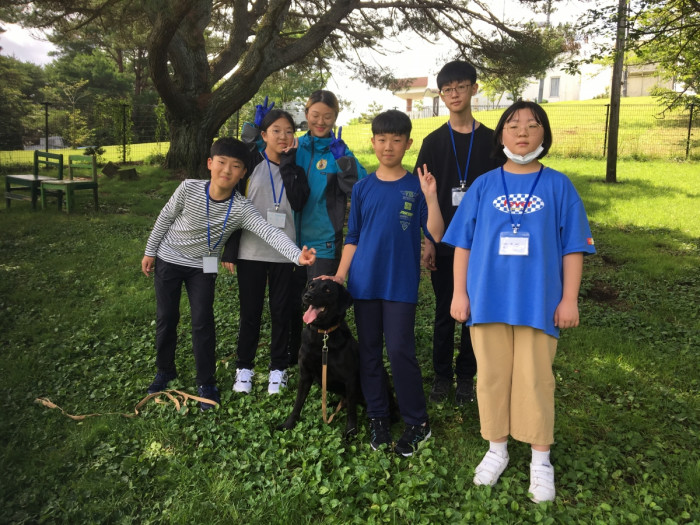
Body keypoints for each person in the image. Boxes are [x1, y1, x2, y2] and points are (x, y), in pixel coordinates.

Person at [442, 101, 596, 502]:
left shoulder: (559, 185)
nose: (523, 132)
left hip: (538, 303)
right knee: (491, 375)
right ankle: (497, 448)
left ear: (544, 134)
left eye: (532, 125)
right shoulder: (484, 185)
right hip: (487, 300)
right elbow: (462, 244)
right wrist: (460, 293)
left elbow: (573, 248)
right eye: (513, 125)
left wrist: (570, 300)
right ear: (501, 135)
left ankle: (540, 458)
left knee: (535, 378)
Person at [142, 137, 316, 410]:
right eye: (221, 163)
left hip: (203, 267)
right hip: (169, 260)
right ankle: (165, 370)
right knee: (167, 317)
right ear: (210, 164)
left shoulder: (242, 208)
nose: (227, 171)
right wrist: (150, 251)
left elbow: (269, 232)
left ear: (243, 173)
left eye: (235, 166)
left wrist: (297, 255)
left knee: (202, 322)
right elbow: (165, 217)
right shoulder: (188, 189)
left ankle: (206, 382)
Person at [326, 110, 444, 456]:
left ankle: (417, 422)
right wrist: (341, 275)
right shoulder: (362, 188)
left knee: (400, 350)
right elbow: (354, 236)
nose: (388, 146)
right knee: (370, 352)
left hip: (400, 284)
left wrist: (432, 196)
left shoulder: (417, 187)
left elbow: (435, 233)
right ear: (373, 142)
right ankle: (378, 415)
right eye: (382, 139)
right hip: (364, 284)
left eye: (396, 140)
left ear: (408, 144)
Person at [414, 60, 502, 405]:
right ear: (441, 95)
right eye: (448, 89)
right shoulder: (433, 142)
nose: (454, 94)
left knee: (474, 313)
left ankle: (466, 376)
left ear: (474, 89)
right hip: (446, 244)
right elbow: (425, 196)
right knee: (443, 313)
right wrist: (428, 242)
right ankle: (441, 376)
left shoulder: (493, 141)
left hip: (482, 245)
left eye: (461, 87)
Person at [284, 90, 368, 365]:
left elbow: (360, 189)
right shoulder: (295, 145)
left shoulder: (339, 151)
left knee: (320, 306)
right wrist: (253, 133)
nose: (321, 121)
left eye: (327, 116)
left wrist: (345, 161)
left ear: (335, 118)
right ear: (306, 114)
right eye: (315, 115)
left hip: (323, 242)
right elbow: (262, 155)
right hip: (288, 240)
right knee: (289, 301)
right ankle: (290, 355)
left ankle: (323, 359)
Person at [221, 110, 302, 395]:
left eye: (289, 131)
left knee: (282, 311)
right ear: (264, 135)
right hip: (250, 251)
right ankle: (244, 368)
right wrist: (230, 250)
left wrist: (290, 165)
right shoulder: (250, 164)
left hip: (285, 251)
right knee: (250, 312)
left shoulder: (296, 167)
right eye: (276, 131)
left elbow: (300, 200)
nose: (283, 136)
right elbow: (233, 206)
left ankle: (278, 370)